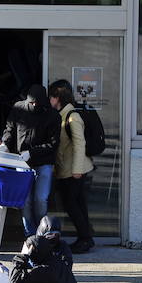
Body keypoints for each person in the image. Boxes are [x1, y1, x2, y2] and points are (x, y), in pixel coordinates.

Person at [0, 84, 61, 236]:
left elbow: (53, 144)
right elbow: (10, 128)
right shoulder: (19, 108)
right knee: (25, 201)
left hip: (44, 162)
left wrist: (32, 153)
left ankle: (42, 232)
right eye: (32, 102)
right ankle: (30, 234)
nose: (34, 105)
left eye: (37, 103)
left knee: (41, 199)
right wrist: (5, 144)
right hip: (22, 162)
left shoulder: (52, 116)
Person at [48, 80, 95, 253]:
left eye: (51, 97)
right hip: (67, 170)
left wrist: (76, 171)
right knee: (78, 205)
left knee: (71, 205)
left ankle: (85, 238)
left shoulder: (72, 116)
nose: (49, 101)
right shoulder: (61, 115)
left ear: (58, 98)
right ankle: (86, 236)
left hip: (75, 171)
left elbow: (79, 144)